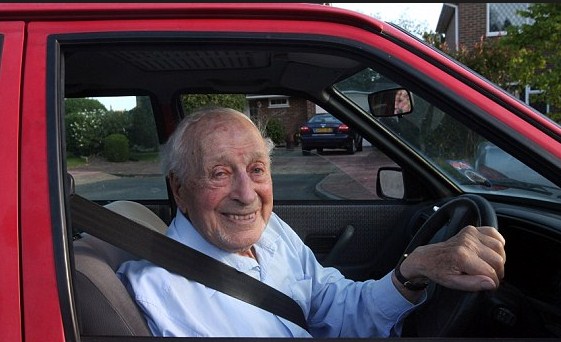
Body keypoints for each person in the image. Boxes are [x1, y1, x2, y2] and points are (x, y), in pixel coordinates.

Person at [117, 107, 506, 338]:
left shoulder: (272, 232)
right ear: (180, 190)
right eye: (219, 173)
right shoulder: (162, 293)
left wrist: (411, 272)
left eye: (256, 170)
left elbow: (333, 306)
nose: (246, 193)